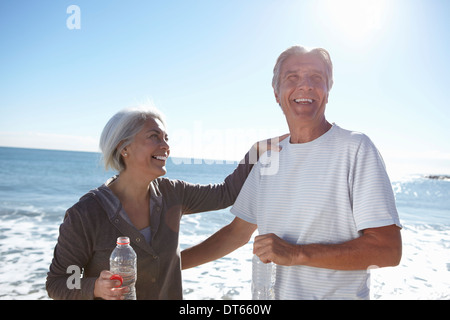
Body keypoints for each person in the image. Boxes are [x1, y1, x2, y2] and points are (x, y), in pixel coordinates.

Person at [181, 45, 402, 300]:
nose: (305, 86)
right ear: (277, 93)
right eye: (292, 77)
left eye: (316, 78)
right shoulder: (268, 159)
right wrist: (169, 266)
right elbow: (236, 233)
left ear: (327, 91)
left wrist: (297, 253)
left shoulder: (356, 148)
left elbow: (388, 250)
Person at [46, 106, 285, 300]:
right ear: (124, 147)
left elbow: (226, 194)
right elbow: (59, 282)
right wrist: (95, 287)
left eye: (166, 138)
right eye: (154, 137)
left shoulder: (172, 193)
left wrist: (255, 152)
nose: (166, 146)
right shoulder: (86, 213)